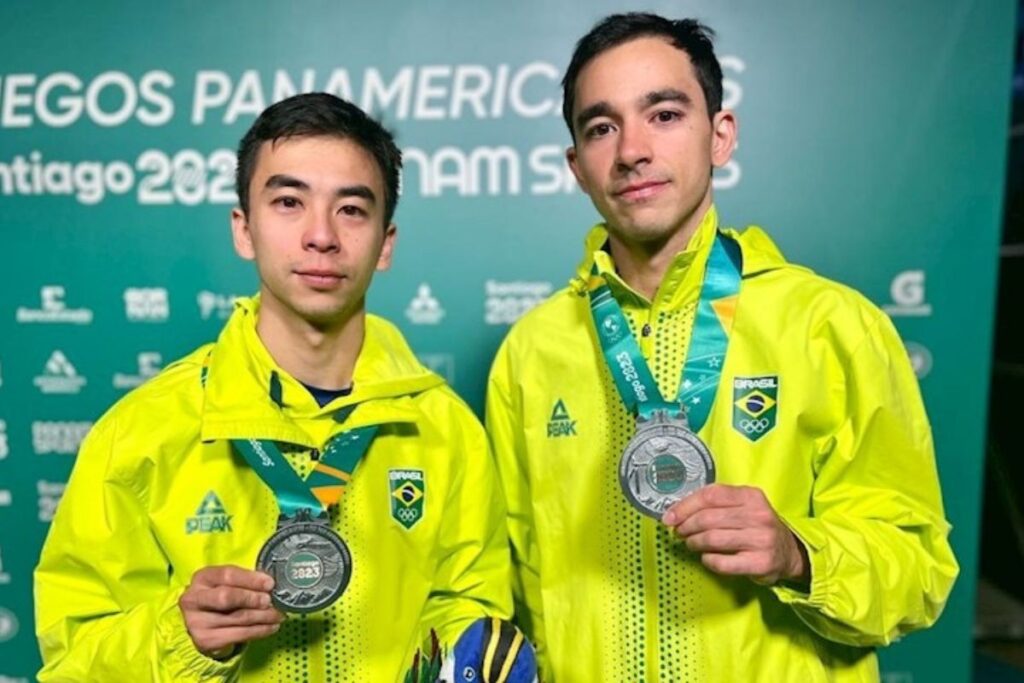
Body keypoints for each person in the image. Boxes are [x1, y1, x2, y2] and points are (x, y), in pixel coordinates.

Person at [485, 13, 959, 682]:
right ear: (577, 167)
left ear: (721, 135)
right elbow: (511, 589)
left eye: (665, 114)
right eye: (601, 127)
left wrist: (800, 553)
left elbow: (919, 571)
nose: (632, 151)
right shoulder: (531, 352)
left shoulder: (831, 324)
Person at [35, 93, 512, 682]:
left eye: (352, 210)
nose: (320, 236)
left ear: (385, 244)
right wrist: (178, 639)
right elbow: (72, 663)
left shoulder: (445, 430)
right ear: (244, 228)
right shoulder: (140, 431)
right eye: (288, 202)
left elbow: (470, 615)